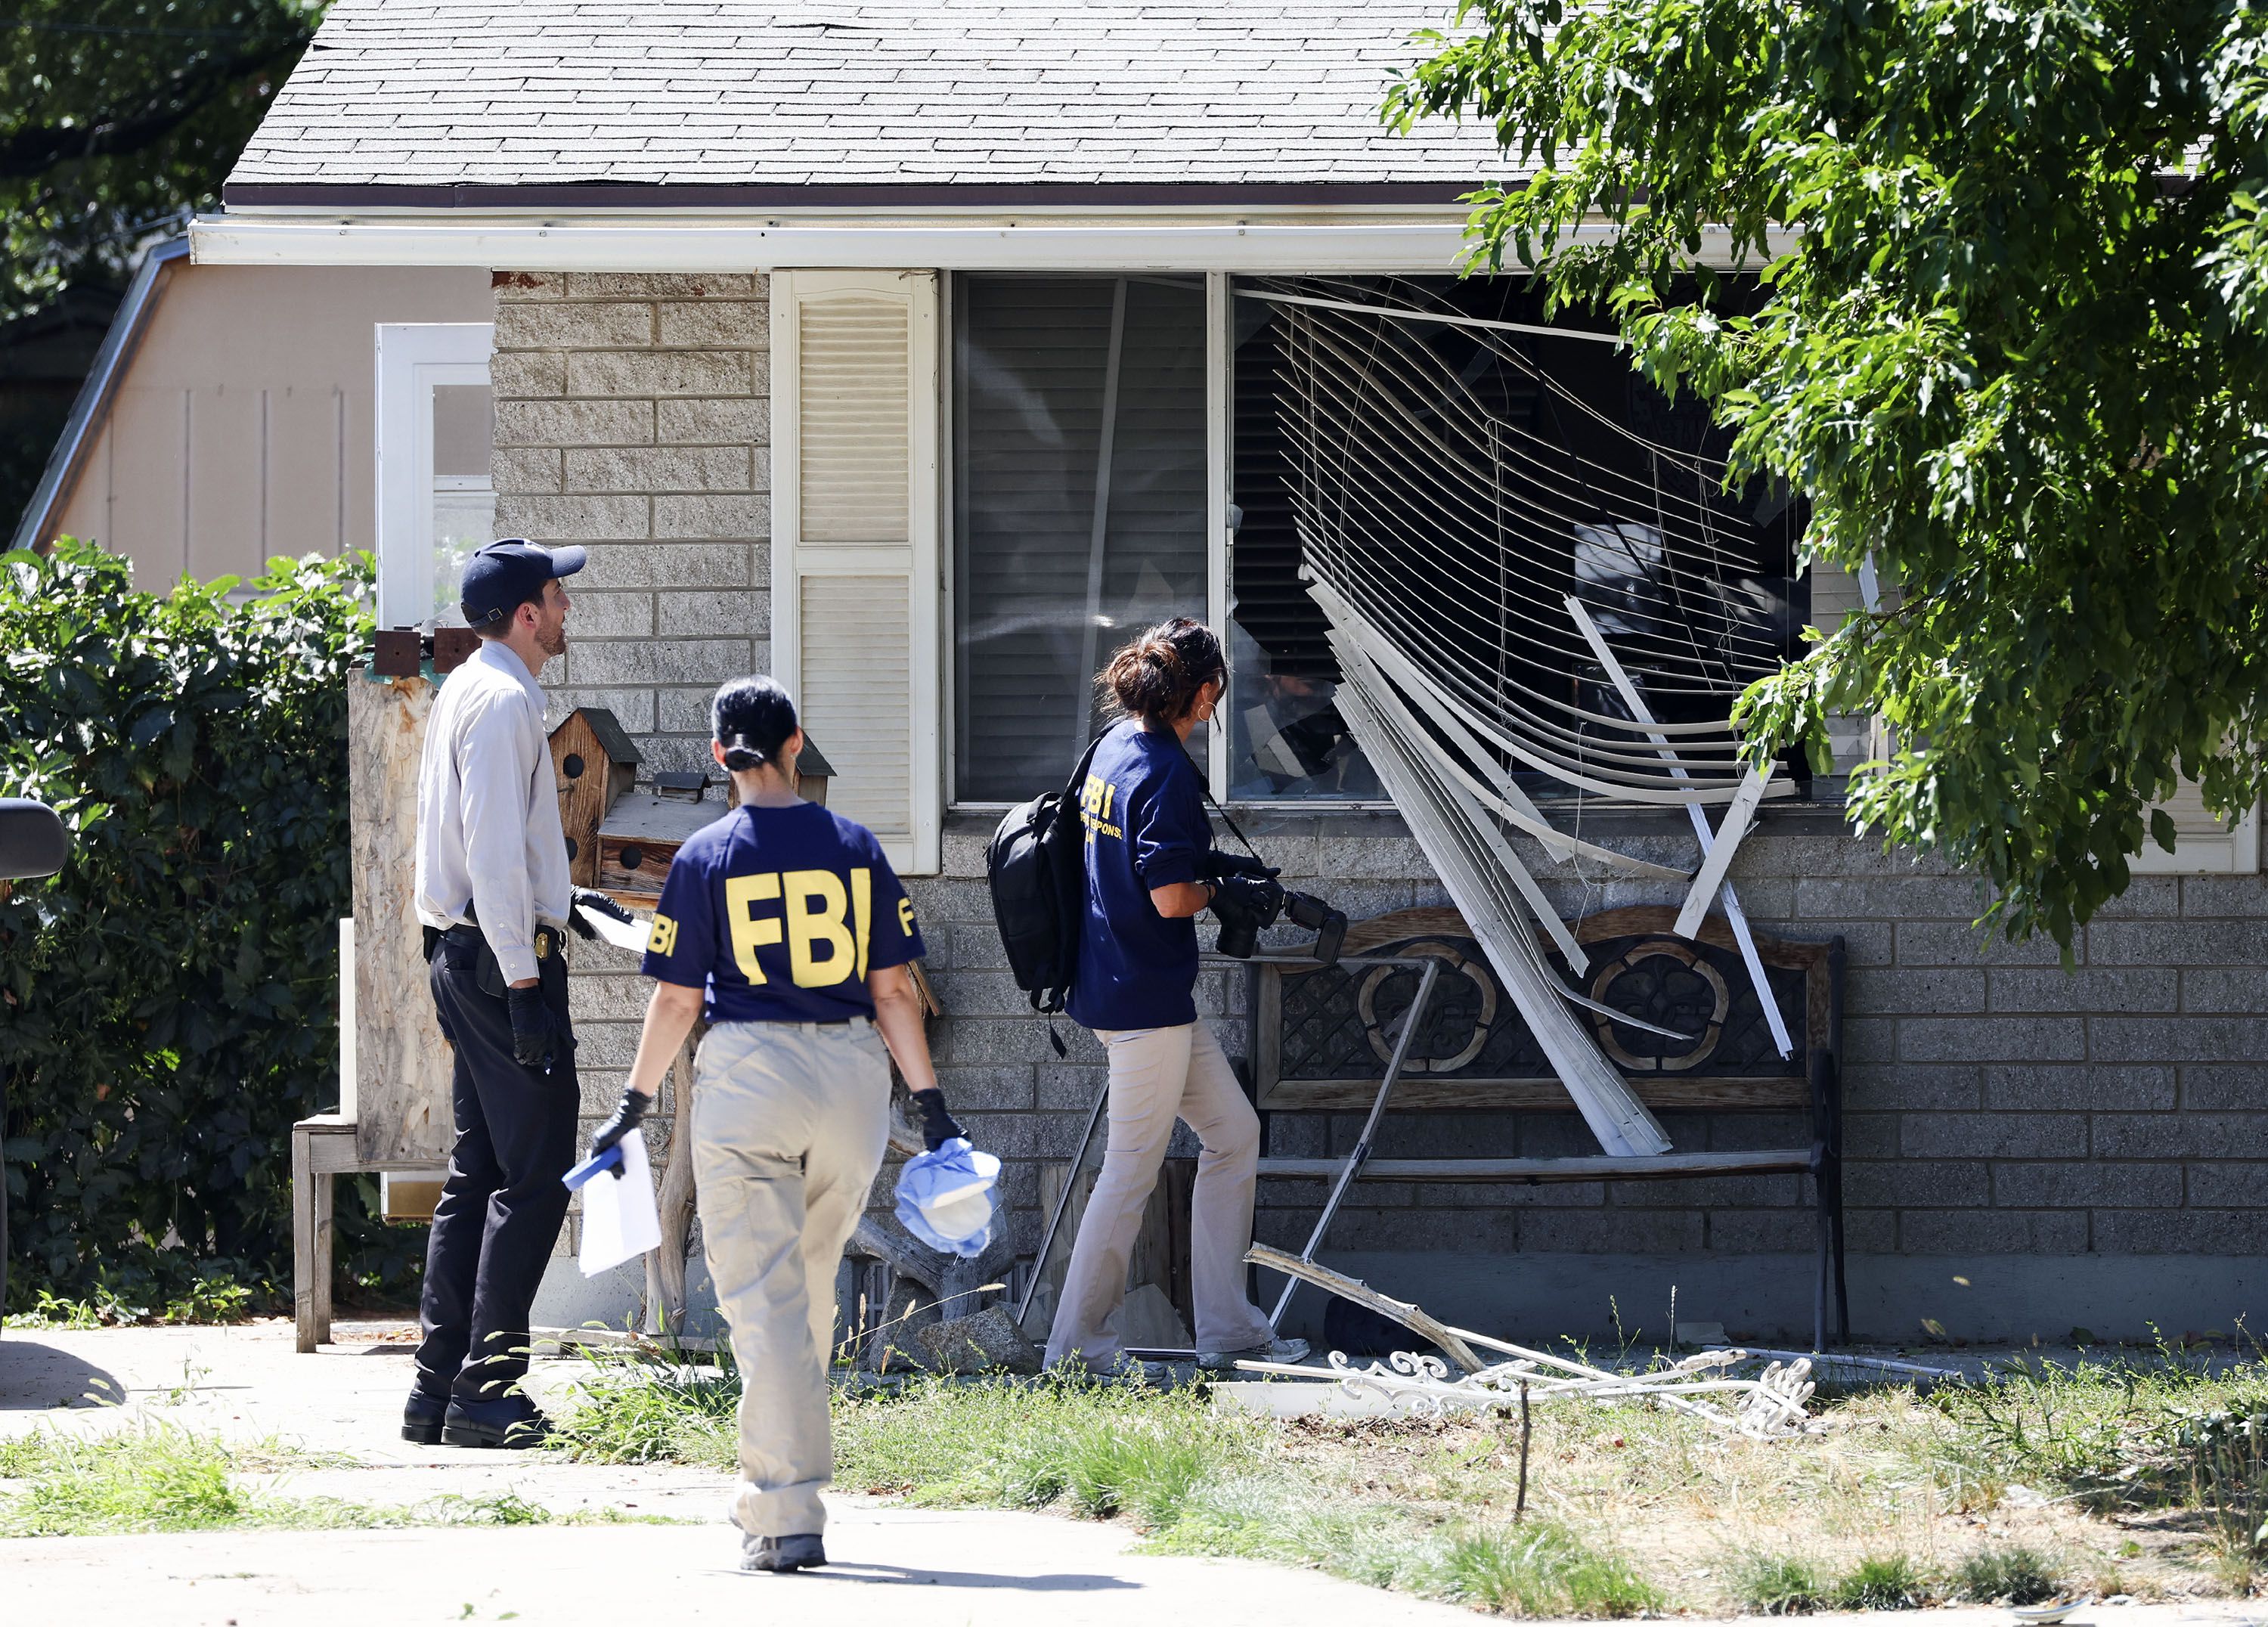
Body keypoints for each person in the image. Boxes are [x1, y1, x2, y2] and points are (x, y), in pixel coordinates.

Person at [591, 674, 960, 1574]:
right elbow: (894, 995)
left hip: (751, 1074)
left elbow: (679, 1000)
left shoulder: (705, 856)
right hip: (850, 1078)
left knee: (762, 1302)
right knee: (809, 1286)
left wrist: (632, 1104)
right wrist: (937, 1113)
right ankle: (790, 1487)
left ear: (722, 756)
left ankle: (785, 1510)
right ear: (797, 742)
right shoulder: (858, 846)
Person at [407, 538, 632, 1449]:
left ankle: (436, 1387)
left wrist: (565, 901)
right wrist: (529, 981)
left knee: (480, 1171)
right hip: (502, 967)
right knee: (535, 1177)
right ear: (528, 613)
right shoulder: (503, 701)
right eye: (558, 595)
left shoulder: (469, 686)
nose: (567, 609)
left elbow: (491, 851)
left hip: (465, 952)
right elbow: (493, 854)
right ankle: (485, 1391)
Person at [1043, 616, 1309, 1379]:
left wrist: (1219, 870)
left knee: (1232, 1134)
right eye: (1216, 694)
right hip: (1143, 1003)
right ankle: (1075, 1350)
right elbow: (1168, 895)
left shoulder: (1114, 748)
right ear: (1202, 693)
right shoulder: (1159, 766)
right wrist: (1221, 889)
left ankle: (1228, 1329)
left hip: (1130, 988)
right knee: (1129, 1172)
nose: (1216, 706)